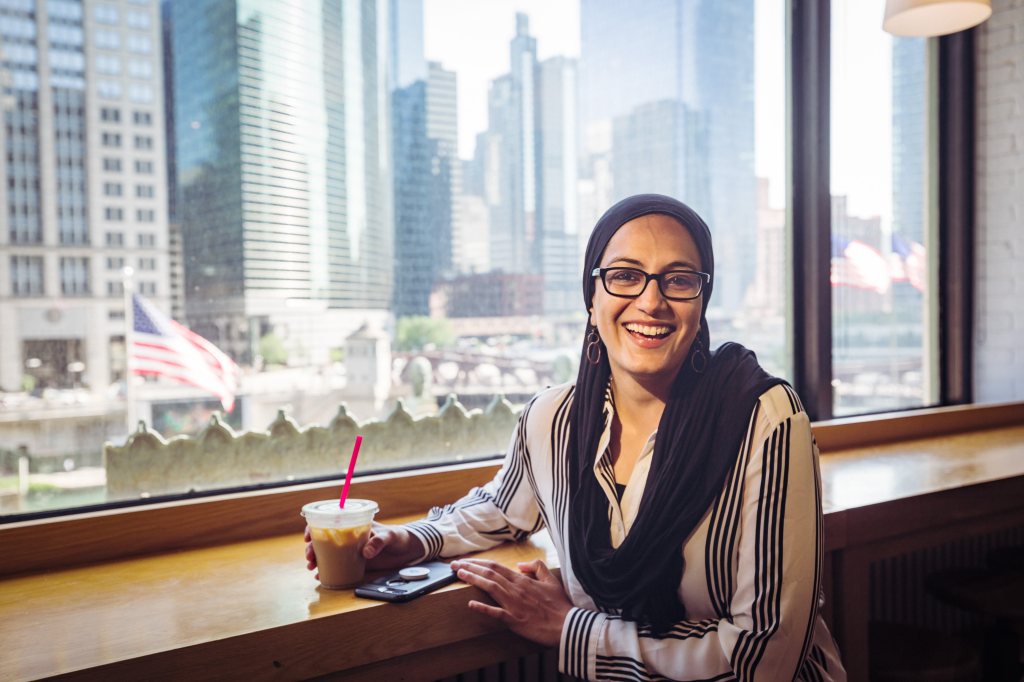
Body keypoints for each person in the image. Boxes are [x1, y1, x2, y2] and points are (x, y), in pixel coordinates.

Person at [306, 194, 846, 681]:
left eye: (679, 279)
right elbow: (500, 508)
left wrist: (574, 631)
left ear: (702, 301)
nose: (651, 302)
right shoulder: (553, 419)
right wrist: (404, 542)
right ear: (591, 296)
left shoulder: (765, 419)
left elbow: (765, 659)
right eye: (625, 275)